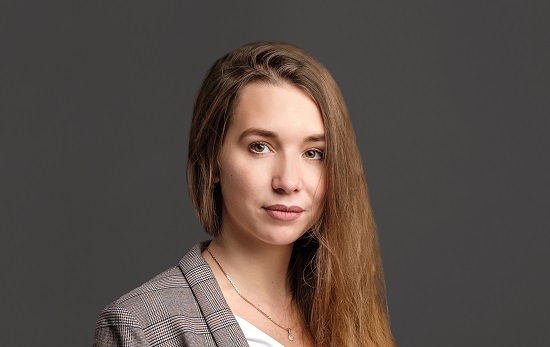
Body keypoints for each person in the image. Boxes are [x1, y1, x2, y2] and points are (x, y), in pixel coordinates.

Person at [94, 41, 396, 347]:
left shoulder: (350, 313)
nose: (288, 181)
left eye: (314, 153)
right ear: (212, 161)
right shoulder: (142, 327)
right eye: (260, 147)